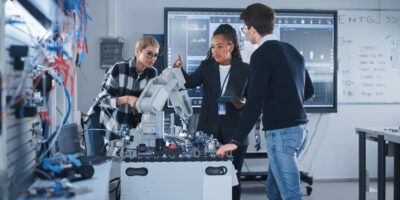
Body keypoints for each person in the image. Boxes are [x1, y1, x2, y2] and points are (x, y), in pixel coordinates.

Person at [216, 3, 315, 200]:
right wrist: (282, 100)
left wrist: (235, 141)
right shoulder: (292, 50)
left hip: (281, 134)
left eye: (244, 28)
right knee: (273, 191)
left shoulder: (261, 54)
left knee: (291, 195)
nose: (244, 33)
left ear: (253, 29)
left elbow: (254, 103)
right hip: (300, 130)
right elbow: (309, 91)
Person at [173, 24, 250, 200]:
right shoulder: (206, 66)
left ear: (231, 46)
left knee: (233, 178)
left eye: (220, 46)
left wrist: (242, 103)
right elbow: (190, 82)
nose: (215, 50)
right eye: (212, 46)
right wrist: (178, 70)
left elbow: (251, 100)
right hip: (208, 130)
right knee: (206, 176)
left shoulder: (245, 69)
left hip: (235, 131)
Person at [85, 36, 159, 156]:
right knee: (102, 161)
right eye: (149, 54)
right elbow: (103, 101)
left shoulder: (153, 73)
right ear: (137, 51)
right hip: (103, 120)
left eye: (155, 55)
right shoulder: (119, 69)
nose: (152, 58)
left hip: (128, 122)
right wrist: (127, 99)